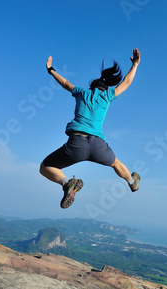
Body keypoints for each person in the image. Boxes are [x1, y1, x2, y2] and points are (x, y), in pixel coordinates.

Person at [40, 48, 141, 209]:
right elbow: (126, 83)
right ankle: (132, 182)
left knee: (45, 167)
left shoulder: (82, 93)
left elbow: (65, 83)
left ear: (91, 87)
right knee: (115, 163)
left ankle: (67, 183)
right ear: (104, 88)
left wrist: (51, 70)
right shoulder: (107, 96)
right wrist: (135, 65)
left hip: (76, 144)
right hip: (98, 146)